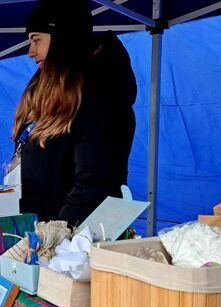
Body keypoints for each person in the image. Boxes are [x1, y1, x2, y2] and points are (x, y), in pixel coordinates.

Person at [13, 0, 137, 225]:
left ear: (61, 37)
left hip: (76, 240)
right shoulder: (50, 92)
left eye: (36, 40)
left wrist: (61, 235)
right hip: (41, 229)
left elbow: (95, 182)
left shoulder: (99, 95)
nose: (30, 52)